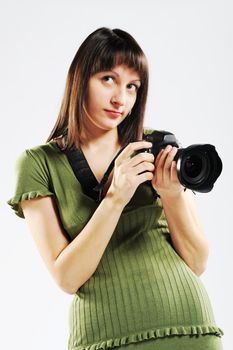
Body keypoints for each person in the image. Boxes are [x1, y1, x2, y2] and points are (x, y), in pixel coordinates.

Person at [7, 27, 223, 350]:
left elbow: (197, 261)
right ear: (80, 79)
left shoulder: (155, 145)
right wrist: (115, 198)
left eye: (132, 86)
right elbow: (67, 277)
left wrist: (172, 195)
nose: (121, 99)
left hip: (191, 329)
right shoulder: (39, 164)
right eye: (108, 79)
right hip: (104, 338)